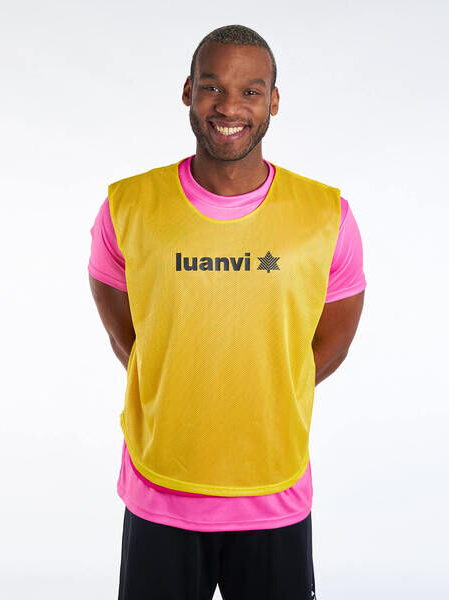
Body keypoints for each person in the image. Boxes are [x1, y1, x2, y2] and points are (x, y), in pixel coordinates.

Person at [88, 24, 366, 600]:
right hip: (160, 491)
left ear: (274, 101)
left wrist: (265, 389)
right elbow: (123, 324)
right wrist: (169, 377)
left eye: (250, 91)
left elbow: (333, 342)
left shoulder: (326, 214)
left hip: (273, 492)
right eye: (213, 87)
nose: (230, 107)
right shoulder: (127, 205)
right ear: (188, 91)